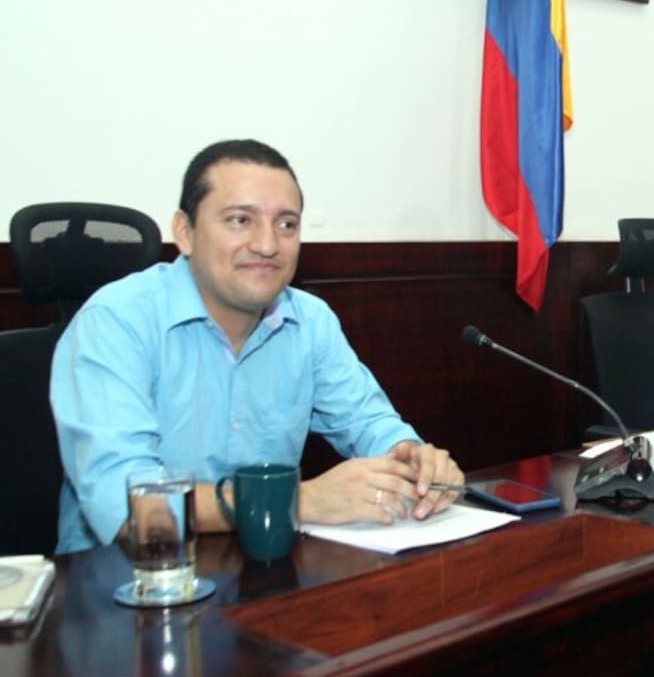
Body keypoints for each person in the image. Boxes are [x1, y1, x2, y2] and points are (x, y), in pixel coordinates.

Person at [51, 139, 464, 554]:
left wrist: (416, 462)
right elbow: (127, 507)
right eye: (239, 220)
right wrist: (300, 501)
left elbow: (371, 425)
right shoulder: (116, 322)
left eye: (287, 224)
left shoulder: (310, 322)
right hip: (125, 582)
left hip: (262, 570)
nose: (268, 245)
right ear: (185, 232)